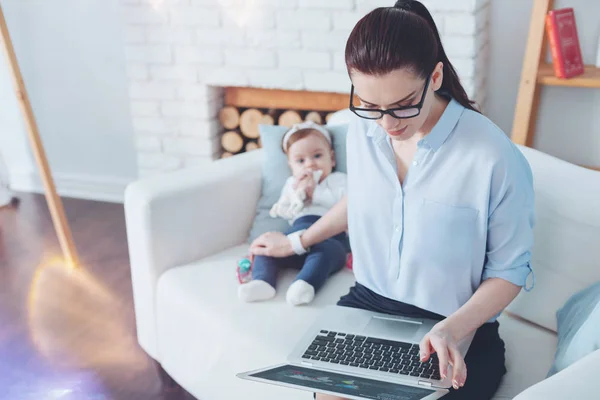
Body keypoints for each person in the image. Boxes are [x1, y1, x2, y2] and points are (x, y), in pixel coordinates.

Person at [249, 1, 536, 399]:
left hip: (456, 326)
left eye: (403, 105)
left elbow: (510, 272)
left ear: (435, 76)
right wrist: (297, 241)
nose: (387, 124)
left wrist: (452, 328)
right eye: (370, 105)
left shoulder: (493, 158)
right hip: (368, 303)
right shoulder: (362, 132)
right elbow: (363, 198)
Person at [239, 121, 349, 306]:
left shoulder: (339, 181)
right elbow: (285, 211)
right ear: (291, 166)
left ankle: (305, 284)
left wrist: (317, 192)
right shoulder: (292, 183)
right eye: (301, 161)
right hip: (294, 237)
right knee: (266, 248)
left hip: (331, 238)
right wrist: (298, 195)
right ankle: (262, 282)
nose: (310, 165)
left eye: (317, 156)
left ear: (332, 159)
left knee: (327, 253)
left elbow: (346, 208)